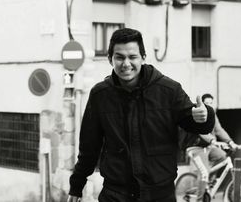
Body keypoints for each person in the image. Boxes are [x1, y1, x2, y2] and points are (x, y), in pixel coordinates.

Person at [67, 28, 215, 202]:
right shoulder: (100, 95)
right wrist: (76, 187)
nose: (126, 64)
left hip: (159, 195)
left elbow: (194, 123)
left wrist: (206, 115)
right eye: (119, 57)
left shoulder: (168, 90)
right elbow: (89, 148)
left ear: (143, 58)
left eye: (132, 57)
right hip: (115, 194)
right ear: (110, 59)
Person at [196, 93, 241, 166]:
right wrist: (212, 141)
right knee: (204, 173)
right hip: (198, 148)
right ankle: (206, 176)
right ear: (202, 104)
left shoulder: (213, 116)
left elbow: (219, 130)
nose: (209, 105)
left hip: (210, 147)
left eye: (211, 103)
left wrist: (230, 142)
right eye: (207, 103)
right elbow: (200, 131)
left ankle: (212, 176)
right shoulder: (199, 115)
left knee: (223, 156)